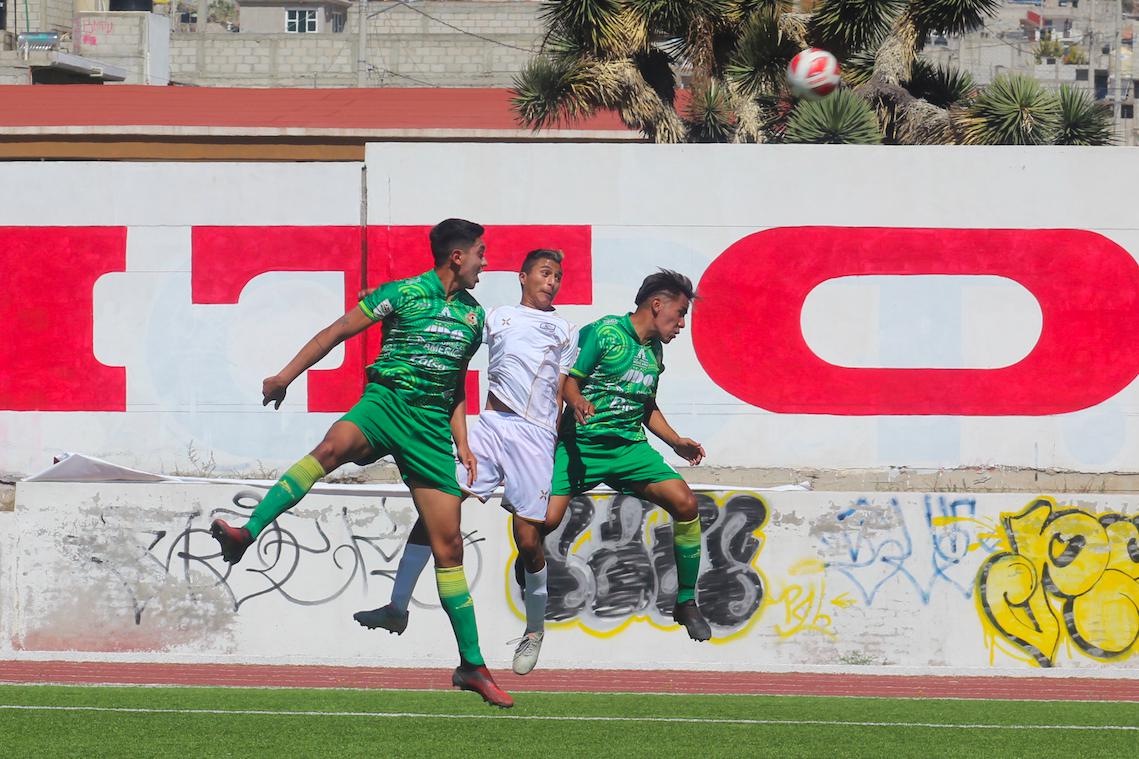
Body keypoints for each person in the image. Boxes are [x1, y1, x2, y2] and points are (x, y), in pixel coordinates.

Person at [208, 218, 513, 708]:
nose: (485, 260)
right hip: (385, 405)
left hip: (432, 430)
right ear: (457, 256)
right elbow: (337, 331)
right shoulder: (403, 293)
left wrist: (464, 442)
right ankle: (248, 533)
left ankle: (471, 666)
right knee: (329, 450)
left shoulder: (474, 317)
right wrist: (285, 376)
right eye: (481, 252)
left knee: (449, 545)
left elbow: (455, 385)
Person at [354, 248, 578, 677]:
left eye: (558, 276)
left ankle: (534, 629)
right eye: (545, 273)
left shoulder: (566, 329)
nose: (552, 282)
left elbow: (563, 387)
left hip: (535, 438)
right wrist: (384, 301)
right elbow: (445, 310)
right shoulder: (496, 317)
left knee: (529, 541)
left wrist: (569, 418)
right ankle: (397, 605)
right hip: (492, 425)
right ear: (523, 276)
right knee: (443, 503)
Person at [544, 269, 712, 641]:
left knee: (686, 503)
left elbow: (646, 404)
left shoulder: (654, 351)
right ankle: (533, 574)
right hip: (581, 447)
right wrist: (577, 401)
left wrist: (675, 441)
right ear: (657, 305)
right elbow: (568, 382)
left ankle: (685, 602)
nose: (682, 324)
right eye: (680, 313)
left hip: (629, 449)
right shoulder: (604, 332)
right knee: (544, 521)